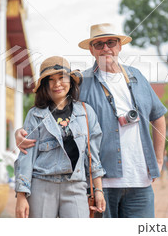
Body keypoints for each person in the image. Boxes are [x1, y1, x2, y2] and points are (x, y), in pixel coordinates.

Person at [16, 23, 167, 218]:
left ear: (120, 45)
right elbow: (56, 111)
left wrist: (158, 159)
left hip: (141, 180)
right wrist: (21, 132)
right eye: (99, 44)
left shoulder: (137, 76)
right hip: (104, 182)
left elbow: (158, 116)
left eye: (111, 42)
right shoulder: (82, 82)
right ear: (91, 50)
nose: (106, 48)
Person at [14, 56, 106, 218]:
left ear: (70, 81)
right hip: (42, 186)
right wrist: (21, 196)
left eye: (62, 78)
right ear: (45, 85)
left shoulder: (86, 112)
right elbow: (26, 157)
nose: (57, 84)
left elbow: (93, 157)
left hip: (75, 186)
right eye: (51, 80)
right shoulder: (35, 115)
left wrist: (98, 190)